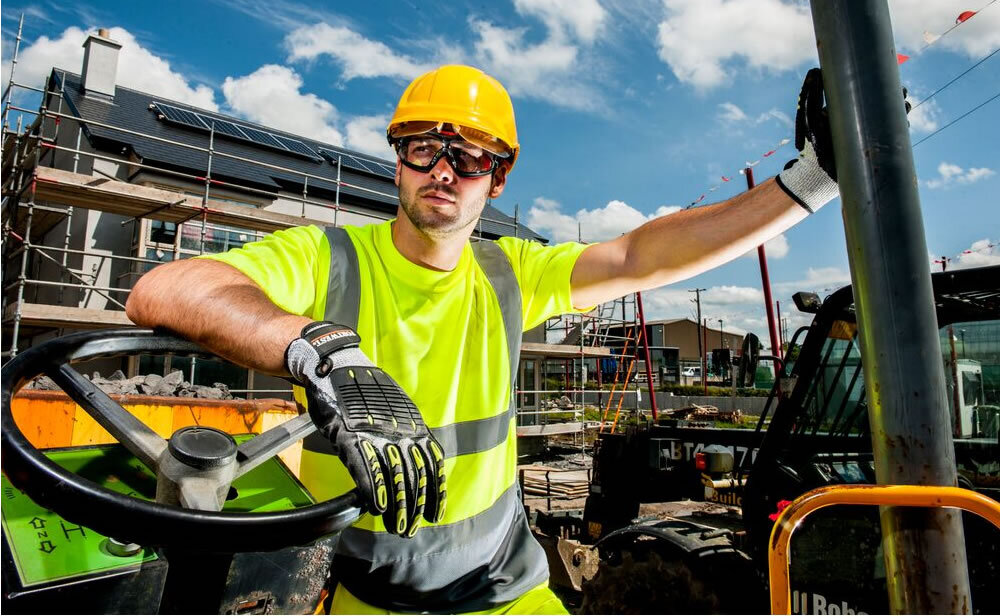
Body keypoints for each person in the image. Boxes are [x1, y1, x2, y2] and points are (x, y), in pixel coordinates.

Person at [126, 65, 843, 614]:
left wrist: (811, 180)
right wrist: (318, 346)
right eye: (424, 149)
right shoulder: (328, 260)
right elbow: (165, 290)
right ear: (398, 159)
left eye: (469, 158)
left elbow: (639, 255)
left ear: (496, 179)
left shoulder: (510, 274)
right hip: (369, 595)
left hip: (506, 588)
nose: (444, 169)